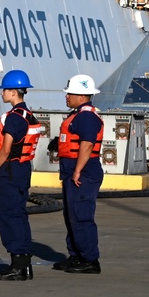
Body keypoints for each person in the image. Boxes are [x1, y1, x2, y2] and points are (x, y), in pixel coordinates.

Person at [0, 69, 41, 281]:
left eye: (4, 90)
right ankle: (24, 264)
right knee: (19, 215)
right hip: (23, 169)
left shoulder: (13, 118)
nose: (2, 94)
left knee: (8, 215)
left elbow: (6, 148)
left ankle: (17, 266)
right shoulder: (29, 115)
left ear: (13, 92)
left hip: (10, 170)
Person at [54, 74, 104, 274]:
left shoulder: (86, 117)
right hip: (73, 171)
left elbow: (87, 144)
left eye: (70, 94)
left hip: (83, 172)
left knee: (81, 215)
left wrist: (77, 171)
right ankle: (76, 255)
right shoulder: (79, 114)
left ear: (81, 96)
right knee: (72, 215)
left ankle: (90, 260)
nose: (66, 97)